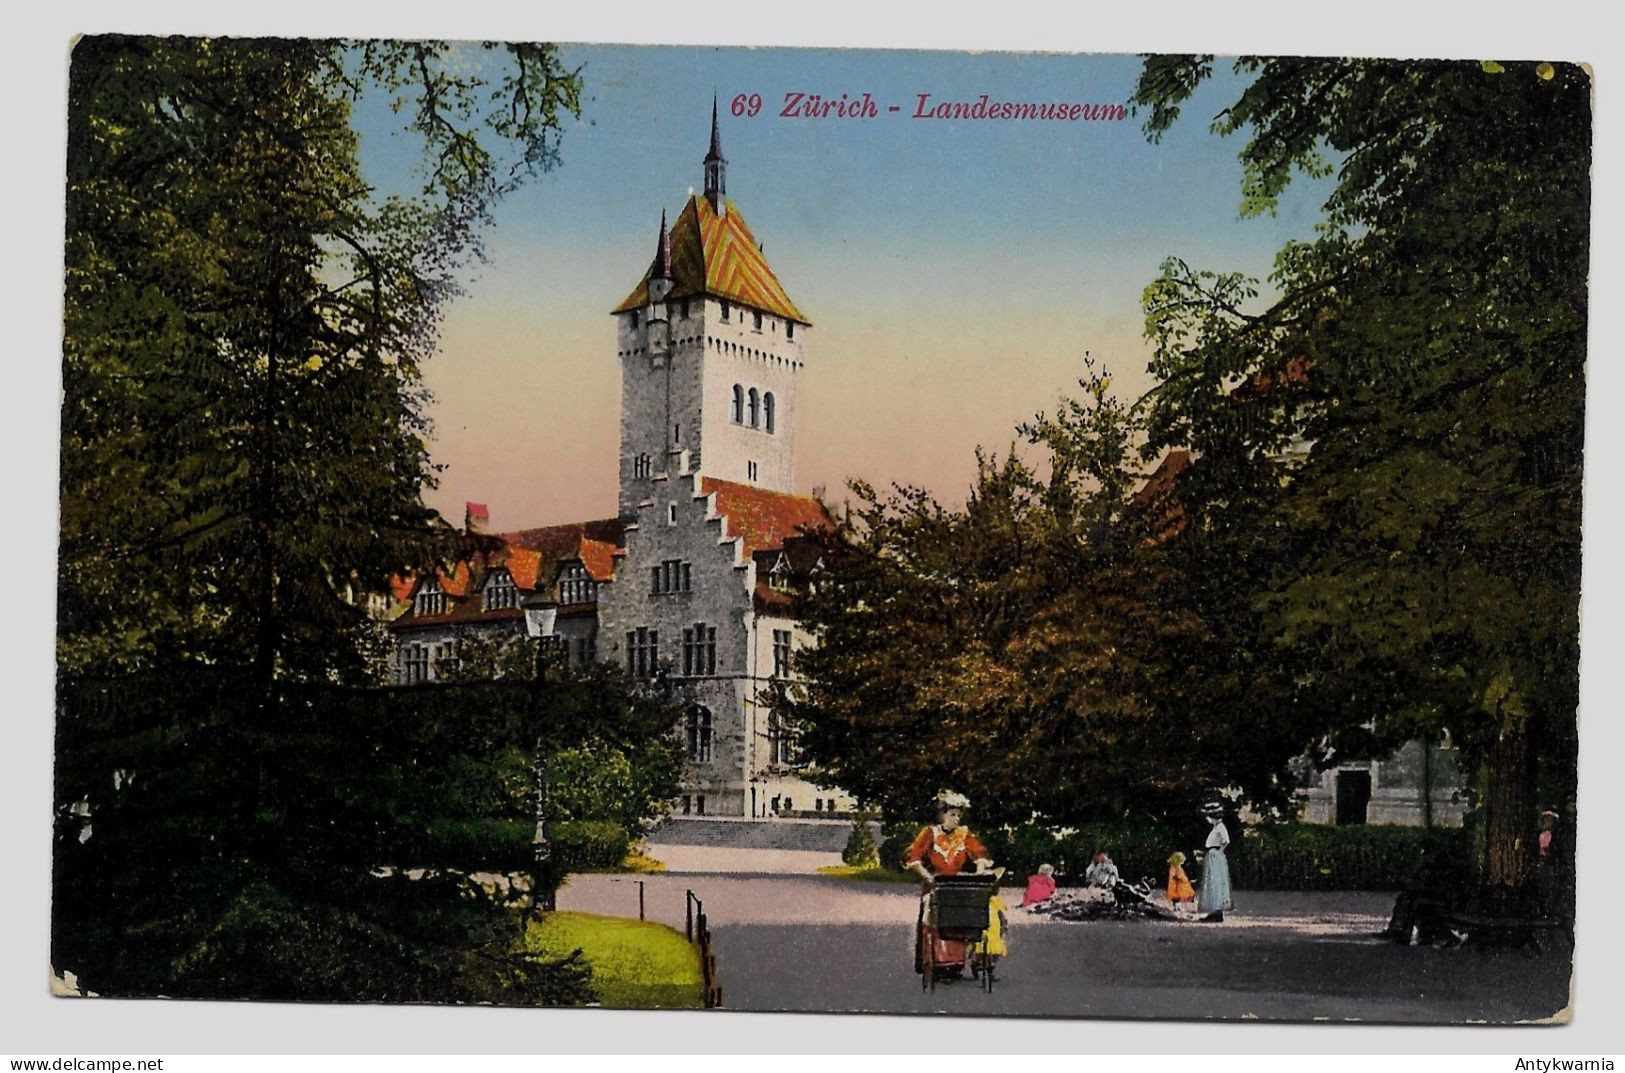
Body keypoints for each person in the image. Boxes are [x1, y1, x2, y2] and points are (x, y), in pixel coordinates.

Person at [904, 790, 994, 980]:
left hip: (958, 885)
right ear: (943, 814)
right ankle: (936, 963)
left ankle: (955, 965)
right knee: (935, 920)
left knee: (960, 918)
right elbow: (914, 857)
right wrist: (928, 877)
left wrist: (978, 873)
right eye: (952, 814)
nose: (956, 819)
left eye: (959, 815)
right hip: (937, 884)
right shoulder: (930, 833)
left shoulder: (964, 834)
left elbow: (979, 855)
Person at [1197, 802, 1233, 921]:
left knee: (1216, 882)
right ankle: (1214, 911)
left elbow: (1226, 841)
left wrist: (1220, 850)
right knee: (1212, 882)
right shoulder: (1216, 827)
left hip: (1216, 854)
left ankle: (1217, 911)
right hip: (1213, 854)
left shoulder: (1221, 827)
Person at [969, 888, 1009, 980]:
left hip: (983, 928)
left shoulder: (978, 901)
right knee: (995, 951)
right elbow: (1002, 917)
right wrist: (1004, 928)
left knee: (979, 948)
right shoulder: (997, 902)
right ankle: (988, 968)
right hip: (994, 929)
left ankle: (976, 964)